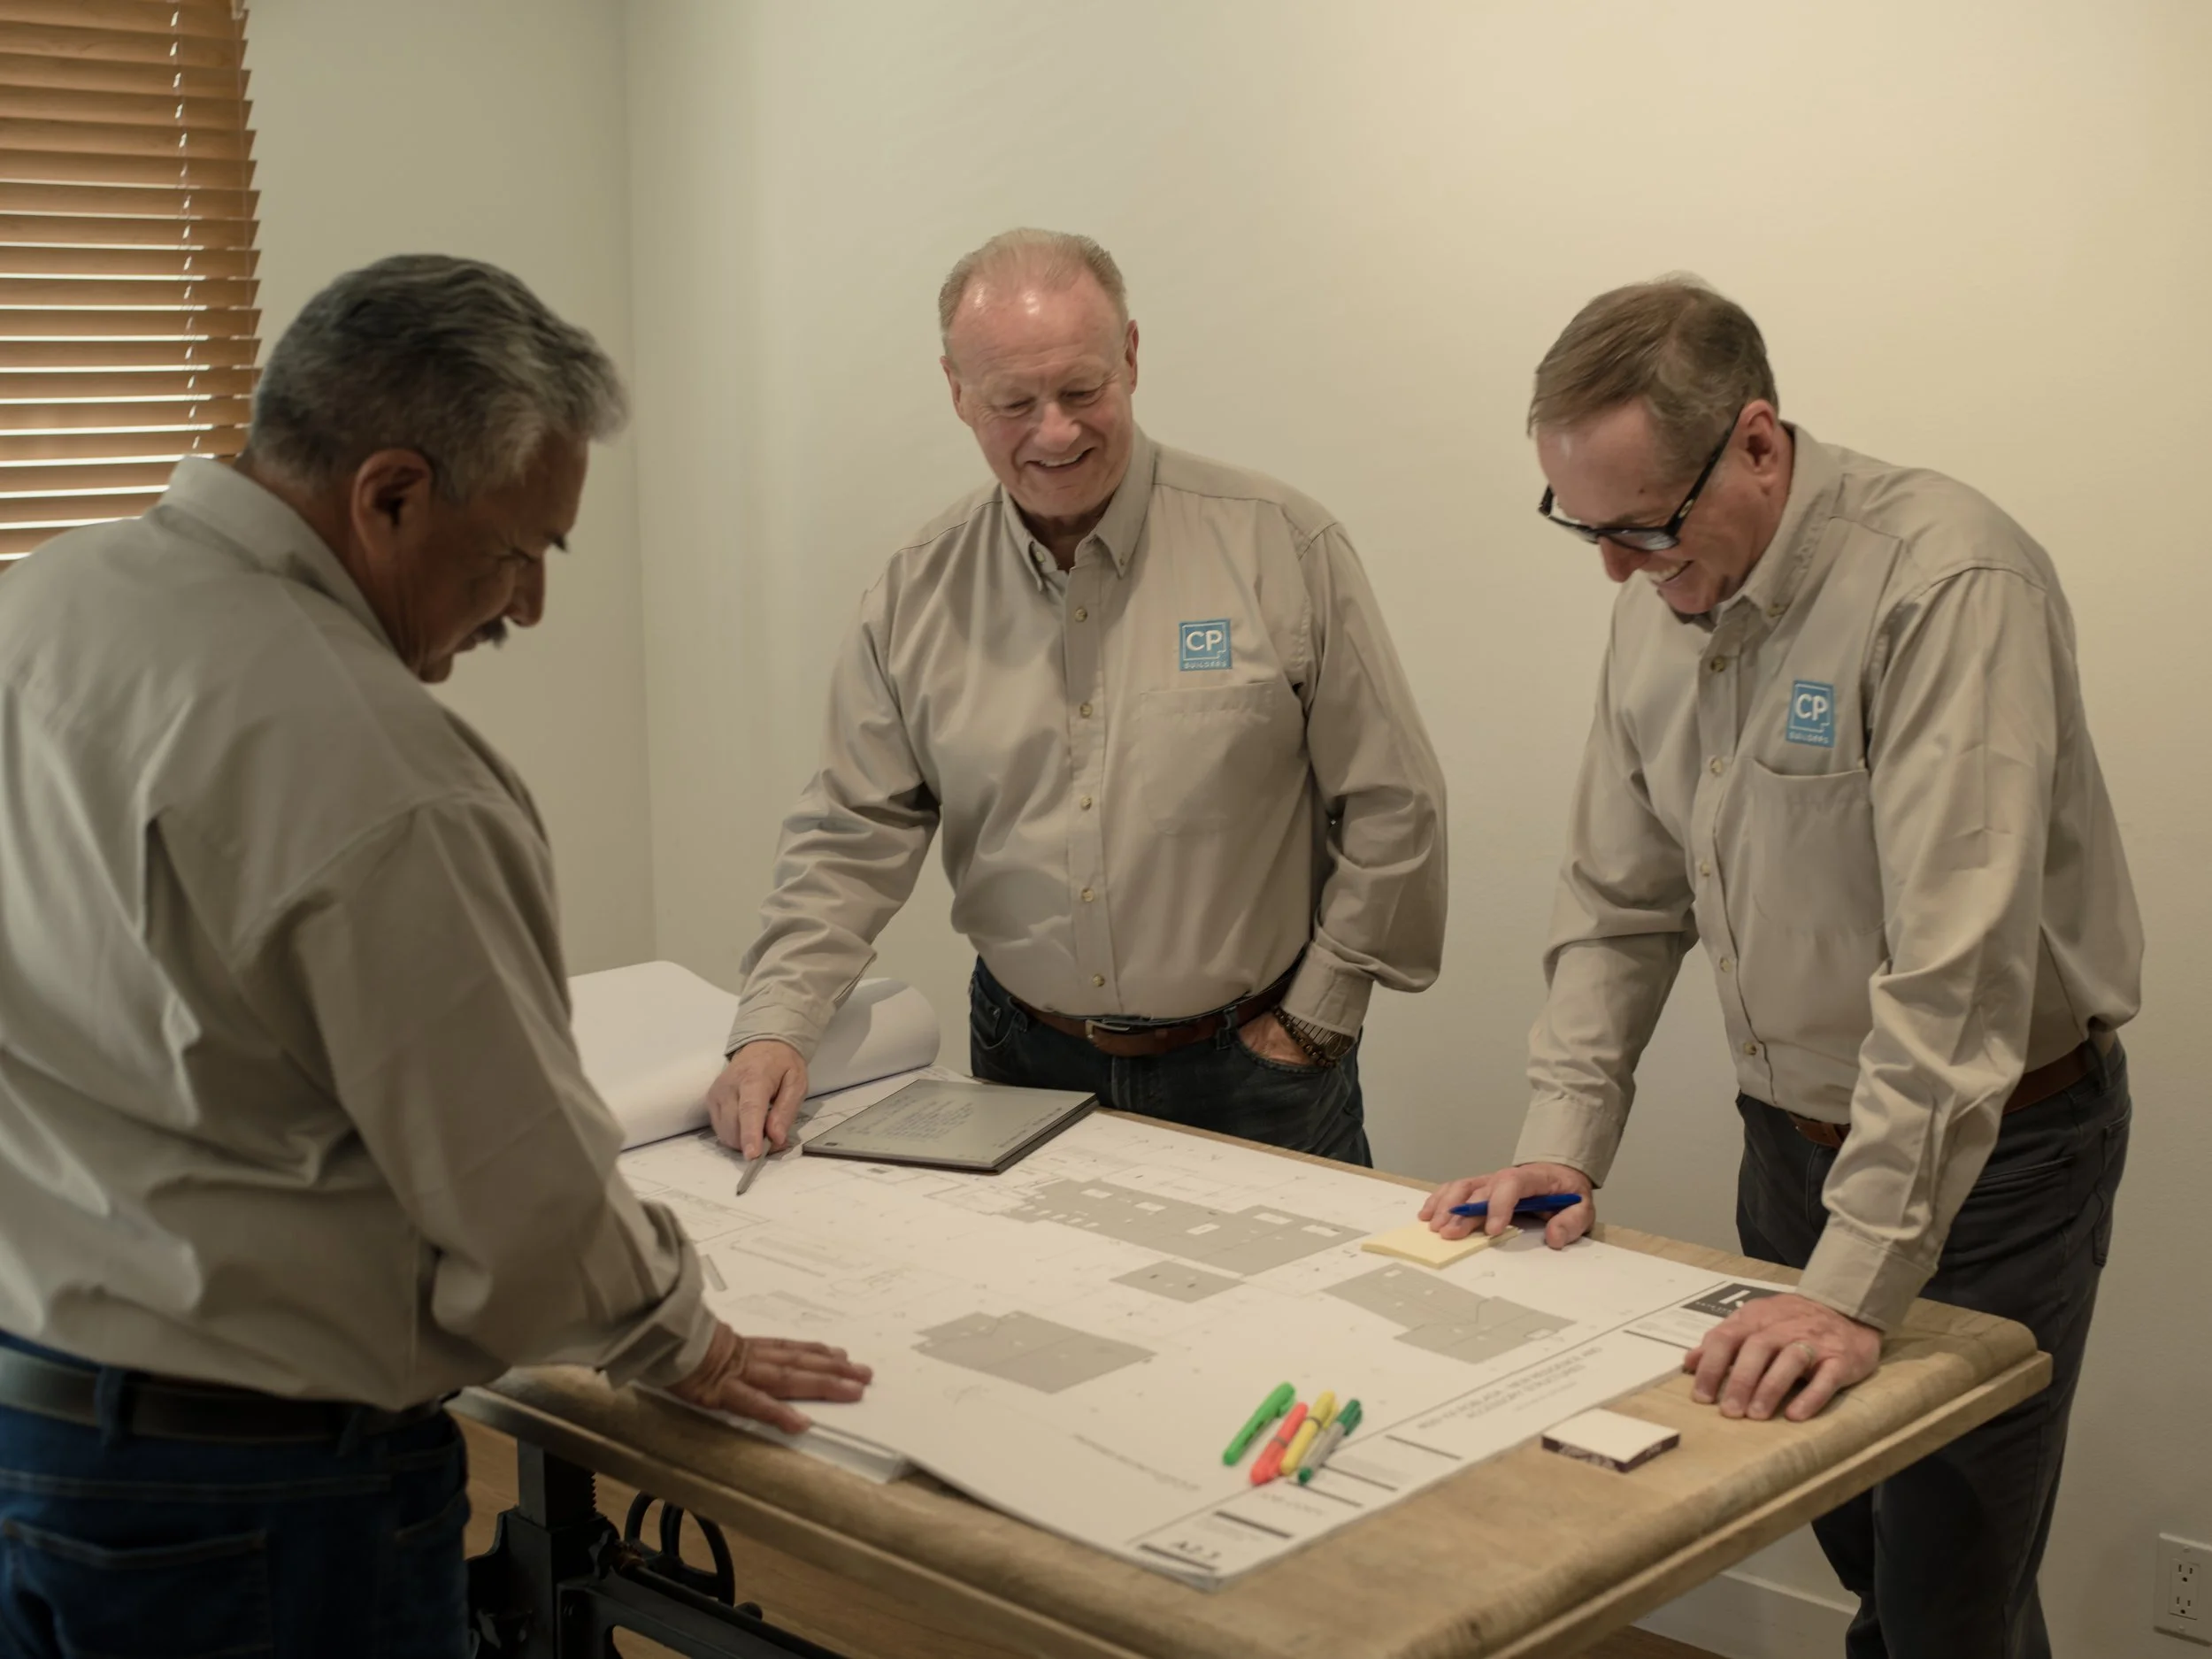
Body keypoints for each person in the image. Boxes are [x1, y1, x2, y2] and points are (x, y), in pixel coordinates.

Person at [0, 255, 869, 1657]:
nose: (527, 606)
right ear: (390, 493)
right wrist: (683, 1337)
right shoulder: (377, 768)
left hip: (34, 1429)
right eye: (519, 550)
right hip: (261, 1496)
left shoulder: (47, 606)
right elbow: (523, 1212)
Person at [1422, 278, 2139, 1659]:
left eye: (1641, 524)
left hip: (1993, 1161)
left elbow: (1959, 968)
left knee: (1945, 1598)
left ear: (1757, 442)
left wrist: (1853, 1276)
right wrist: (1560, 1144)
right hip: (1787, 1145)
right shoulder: (1658, 595)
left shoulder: (1946, 582)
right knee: (1872, 1539)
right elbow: (1620, 902)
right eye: (1583, 525)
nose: (1617, 571)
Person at [708, 229, 1447, 1169]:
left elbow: (1393, 801)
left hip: (1257, 1073)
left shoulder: (1282, 546)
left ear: (1131, 358)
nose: (1054, 432)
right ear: (956, 392)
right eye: (1013, 402)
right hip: (1023, 1064)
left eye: (1081, 390)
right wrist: (775, 1024)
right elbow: (852, 831)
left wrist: (1316, 1019)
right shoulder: (915, 593)